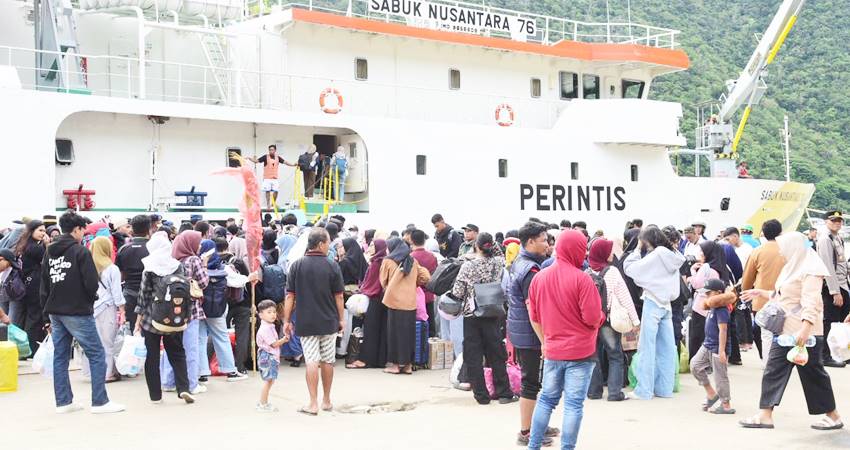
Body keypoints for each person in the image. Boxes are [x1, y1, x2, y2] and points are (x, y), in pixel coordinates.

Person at [739, 232, 844, 431]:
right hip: (786, 333)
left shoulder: (811, 270)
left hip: (804, 335)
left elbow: (811, 302)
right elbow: (786, 295)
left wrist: (805, 330)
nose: (781, 252)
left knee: (813, 376)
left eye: (783, 248)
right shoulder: (793, 266)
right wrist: (761, 293)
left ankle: (833, 415)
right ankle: (765, 415)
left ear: (794, 247)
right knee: (774, 371)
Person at [40, 211, 125, 414]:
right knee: (96, 353)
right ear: (77, 229)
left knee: (61, 356)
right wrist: (88, 301)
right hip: (77, 311)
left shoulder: (49, 252)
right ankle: (100, 401)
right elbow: (91, 283)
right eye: (82, 231)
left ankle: (64, 402)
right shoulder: (81, 252)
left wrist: (46, 316)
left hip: (54, 311)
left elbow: (44, 286)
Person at [527, 230, 604, 450]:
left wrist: (545, 342)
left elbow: (534, 316)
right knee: (573, 405)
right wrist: (601, 317)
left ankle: (533, 445)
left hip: (553, 351)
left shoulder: (539, 278)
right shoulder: (583, 279)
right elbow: (592, 318)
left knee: (546, 400)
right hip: (581, 353)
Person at [282, 228, 345, 416]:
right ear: (320, 244)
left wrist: (286, 320)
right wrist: (341, 319)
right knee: (328, 361)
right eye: (328, 242)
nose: (329, 246)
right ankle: (326, 400)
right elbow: (339, 296)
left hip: (306, 321)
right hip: (329, 321)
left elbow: (290, 296)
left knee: (311, 360)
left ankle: (313, 403)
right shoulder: (332, 265)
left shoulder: (297, 265)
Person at [507, 221, 559, 446]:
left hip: (521, 331)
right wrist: (544, 340)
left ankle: (538, 424)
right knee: (530, 383)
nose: (547, 244)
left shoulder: (520, 262)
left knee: (535, 381)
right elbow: (533, 309)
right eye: (544, 240)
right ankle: (526, 432)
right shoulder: (530, 270)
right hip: (529, 334)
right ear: (530, 242)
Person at [623, 226, 685, 400]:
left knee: (647, 348)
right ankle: (664, 389)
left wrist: (637, 250)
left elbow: (631, 269)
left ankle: (644, 390)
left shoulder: (656, 255)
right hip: (667, 304)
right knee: (667, 348)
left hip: (652, 301)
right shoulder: (672, 255)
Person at [451, 233, 513, 404]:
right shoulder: (498, 263)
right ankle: (504, 392)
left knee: (473, 355)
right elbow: (499, 252)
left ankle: (481, 395)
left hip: (472, 313)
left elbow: (458, 292)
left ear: (476, 246)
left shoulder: (468, 266)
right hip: (493, 312)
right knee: (496, 352)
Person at [135, 231, 194, 404]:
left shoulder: (149, 266)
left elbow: (144, 295)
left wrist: (138, 320)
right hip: (174, 317)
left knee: (152, 357)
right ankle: (183, 388)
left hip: (151, 319)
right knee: (177, 353)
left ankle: (155, 396)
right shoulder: (177, 265)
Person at [586, 238, 640, 402]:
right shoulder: (612, 272)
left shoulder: (586, 273)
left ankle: (594, 392)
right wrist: (635, 321)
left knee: (593, 356)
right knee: (615, 355)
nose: (612, 254)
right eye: (609, 251)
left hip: (590, 322)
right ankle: (615, 393)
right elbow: (625, 297)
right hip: (608, 321)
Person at [161, 231, 208, 394]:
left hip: (172, 310)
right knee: (190, 348)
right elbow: (203, 282)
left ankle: (168, 382)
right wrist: (204, 265)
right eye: (198, 242)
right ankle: (191, 384)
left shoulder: (171, 259)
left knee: (172, 347)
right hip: (191, 310)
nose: (200, 246)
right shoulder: (193, 260)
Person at [197, 239, 247, 382]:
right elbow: (238, 281)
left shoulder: (197, 267)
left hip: (199, 309)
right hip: (217, 309)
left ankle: (202, 373)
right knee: (221, 338)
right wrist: (250, 278)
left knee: (200, 339)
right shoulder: (223, 268)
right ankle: (230, 371)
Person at [380, 237, 431, 374]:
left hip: (394, 303)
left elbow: (383, 281)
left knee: (395, 335)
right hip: (410, 303)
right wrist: (412, 284)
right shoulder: (412, 261)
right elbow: (425, 277)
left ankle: (396, 366)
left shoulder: (388, 261)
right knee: (408, 335)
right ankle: (408, 365)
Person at [80, 237, 125, 383]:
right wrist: (122, 310)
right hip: (107, 308)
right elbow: (117, 293)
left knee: (92, 342)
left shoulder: (86, 267)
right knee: (107, 342)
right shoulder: (112, 268)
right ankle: (106, 373)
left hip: (89, 308)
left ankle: (91, 372)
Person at [741, 219, 785, 362]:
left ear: (763, 234)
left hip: (761, 301)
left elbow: (747, 279)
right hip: (785, 298)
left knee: (765, 335)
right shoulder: (787, 250)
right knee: (785, 333)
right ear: (780, 232)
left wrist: (746, 293)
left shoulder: (757, 251)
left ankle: (767, 363)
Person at [691, 278, 736, 414]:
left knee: (720, 376)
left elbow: (723, 330)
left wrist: (722, 351)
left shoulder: (722, 309)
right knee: (695, 365)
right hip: (708, 344)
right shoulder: (713, 307)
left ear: (718, 293)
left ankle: (726, 404)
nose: (706, 296)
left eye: (708, 293)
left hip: (717, 346)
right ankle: (711, 394)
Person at [815, 210, 850, 368]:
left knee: (843, 322)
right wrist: (834, 291)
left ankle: (842, 353)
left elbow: (842, 263)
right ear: (826, 221)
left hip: (843, 284)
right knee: (830, 322)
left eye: (839, 220)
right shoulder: (825, 239)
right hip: (832, 287)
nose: (837, 223)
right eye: (833, 220)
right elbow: (827, 266)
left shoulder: (838, 238)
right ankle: (825, 355)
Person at [346, 239, 388, 369]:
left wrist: (361, 291)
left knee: (371, 330)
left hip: (374, 300)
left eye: (372, 246)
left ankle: (367, 360)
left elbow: (370, 283)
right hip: (383, 300)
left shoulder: (376, 264)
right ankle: (379, 360)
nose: (369, 248)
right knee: (380, 330)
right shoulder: (384, 261)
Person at [687, 240, 728, 360]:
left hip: (701, 306)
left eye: (702, 252)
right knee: (709, 336)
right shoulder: (721, 268)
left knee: (696, 337)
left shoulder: (706, 267)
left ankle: (695, 361)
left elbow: (697, 284)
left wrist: (692, 273)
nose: (700, 255)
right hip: (713, 307)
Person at [14, 219, 47, 355]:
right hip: (34, 286)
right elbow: (47, 259)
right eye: (40, 230)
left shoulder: (23, 245)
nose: (43, 233)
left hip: (24, 285)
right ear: (32, 231)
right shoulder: (35, 248)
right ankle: (32, 349)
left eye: (44, 231)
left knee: (26, 317)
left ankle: (25, 348)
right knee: (34, 317)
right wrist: (47, 245)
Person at [115, 215, 150, 336]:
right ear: (149, 229)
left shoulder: (123, 249)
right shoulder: (153, 248)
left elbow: (120, 276)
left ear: (132, 229)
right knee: (149, 331)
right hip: (150, 294)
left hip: (129, 292)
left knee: (131, 329)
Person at [256, 299, 288, 412]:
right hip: (268, 356)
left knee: (270, 380)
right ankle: (262, 404)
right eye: (269, 312)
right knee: (269, 380)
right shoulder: (265, 329)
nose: (273, 314)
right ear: (261, 315)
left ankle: (263, 402)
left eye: (274, 312)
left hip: (269, 356)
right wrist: (284, 340)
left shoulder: (269, 326)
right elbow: (273, 344)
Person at [248, 144, 296, 209]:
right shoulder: (265, 157)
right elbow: (256, 161)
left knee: (276, 191)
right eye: (270, 150)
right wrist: (250, 158)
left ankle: (273, 203)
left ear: (275, 150)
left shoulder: (278, 157)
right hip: (267, 178)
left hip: (274, 178)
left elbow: (285, 162)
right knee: (267, 191)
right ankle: (268, 204)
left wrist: (293, 165)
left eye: (272, 150)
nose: (271, 151)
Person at [409, 229, 438, 337]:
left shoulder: (410, 257)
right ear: (424, 240)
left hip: (415, 296)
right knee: (430, 325)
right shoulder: (432, 257)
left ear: (411, 240)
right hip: (429, 294)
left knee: (416, 328)